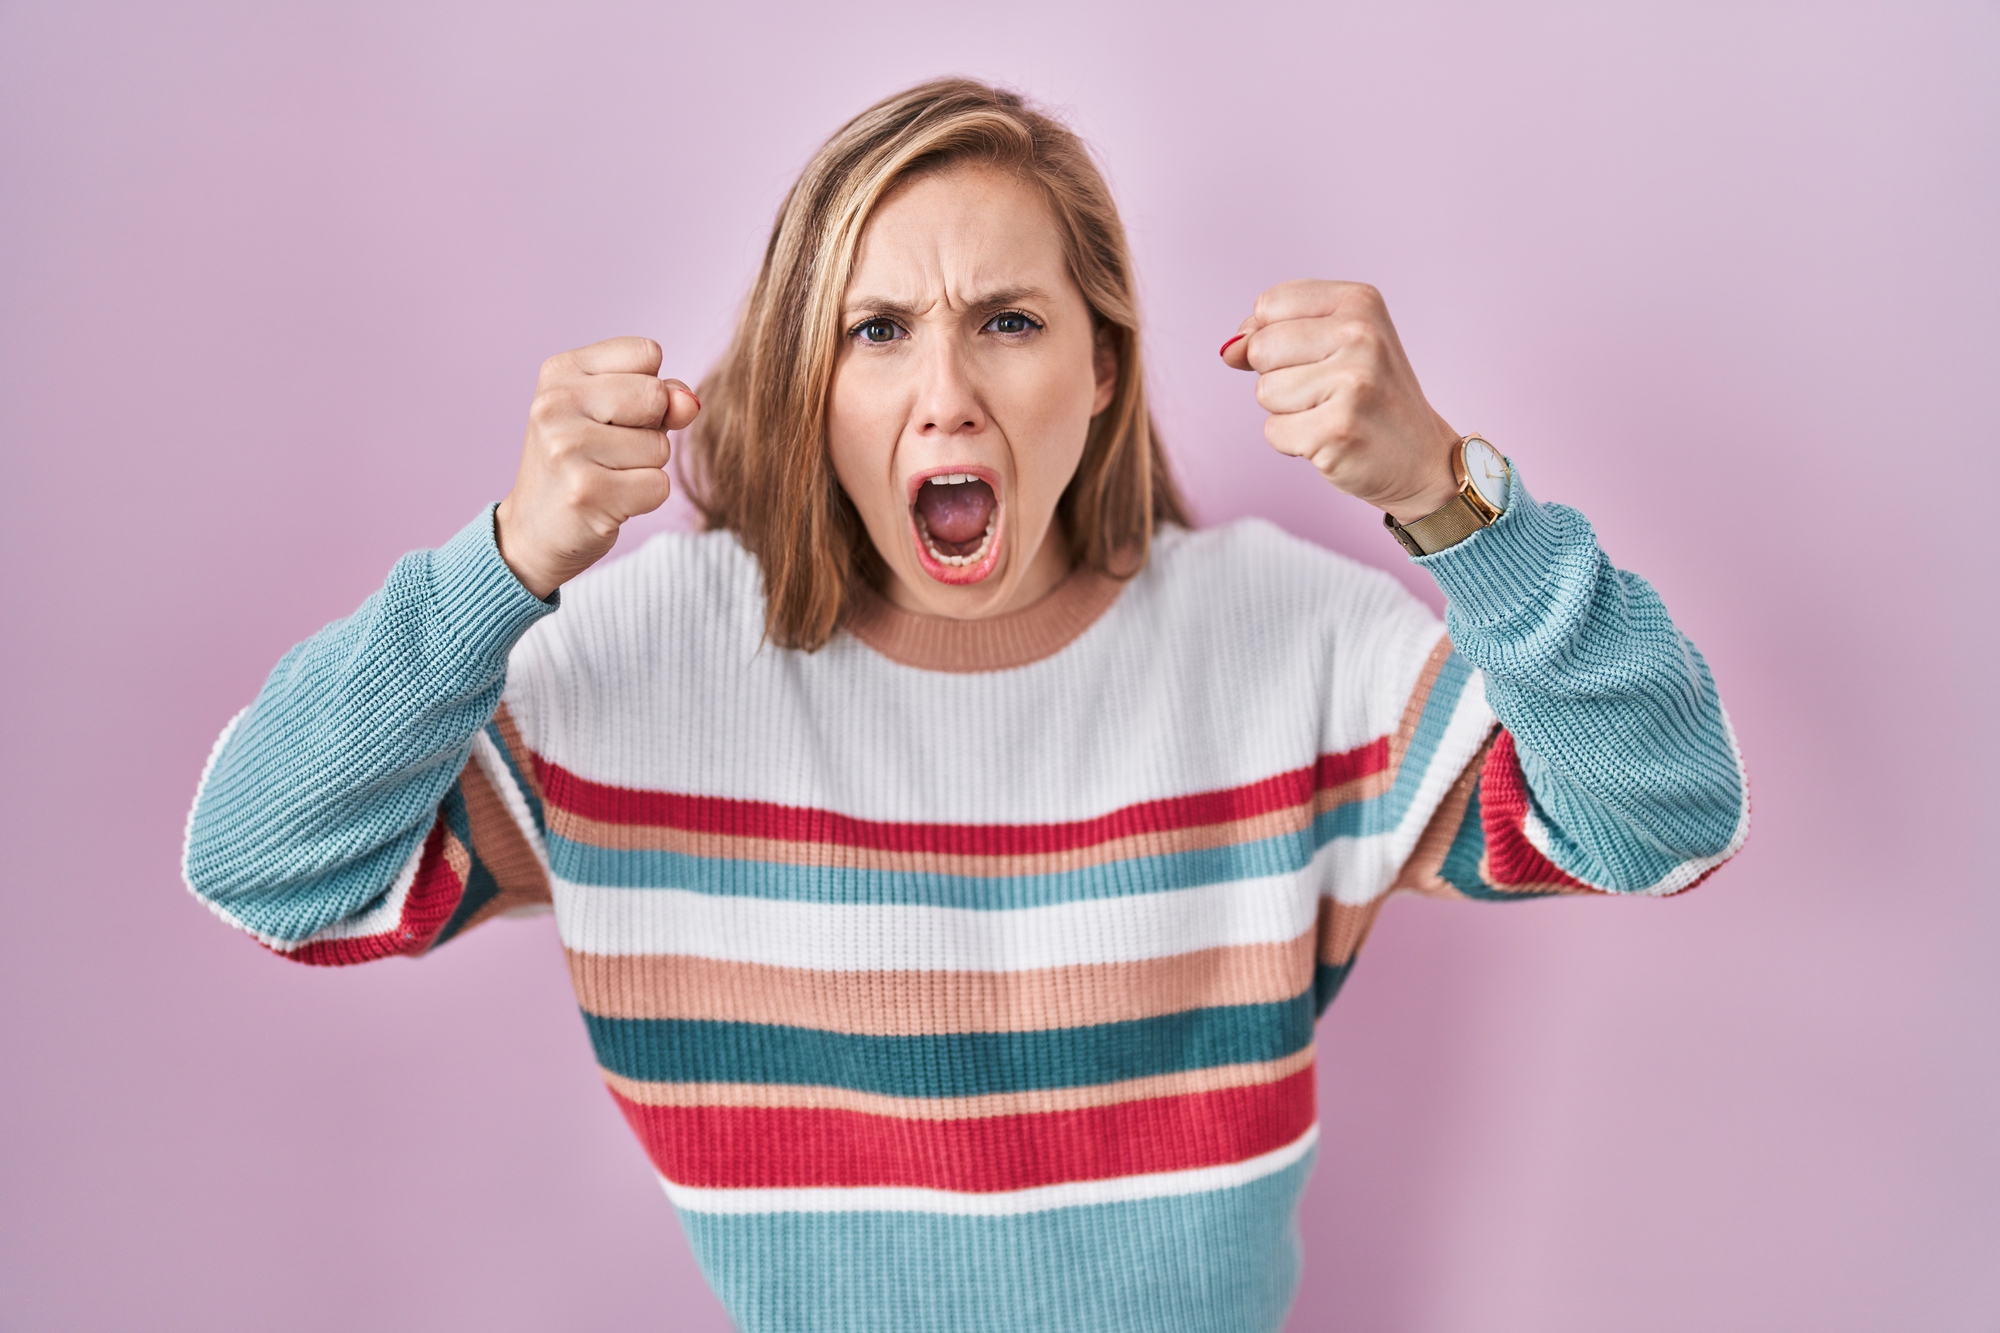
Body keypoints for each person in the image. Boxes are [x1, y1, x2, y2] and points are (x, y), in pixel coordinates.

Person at [182, 77, 1747, 1333]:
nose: (946, 392)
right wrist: (507, 561)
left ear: (1105, 374)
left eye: (1008, 320)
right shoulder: (643, 664)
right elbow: (268, 863)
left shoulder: (1286, 641)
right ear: (810, 384)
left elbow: (1657, 818)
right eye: (878, 331)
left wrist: (1451, 499)